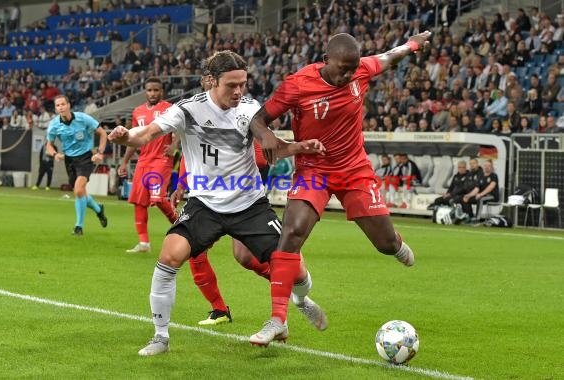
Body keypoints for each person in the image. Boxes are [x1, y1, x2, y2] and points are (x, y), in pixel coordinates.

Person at [108, 51, 327, 354]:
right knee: (169, 257)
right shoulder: (187, 110)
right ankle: (160, 337)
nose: (238, 91)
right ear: (212, 81)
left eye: (243, 84)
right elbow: (144, 135)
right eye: (231, 85)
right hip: (205, 205)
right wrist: (124, 137)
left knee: (295, 267)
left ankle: (301, 300)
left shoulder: (251, 110)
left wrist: (300, 147)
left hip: (249, 204)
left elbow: (272, 148)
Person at [248, 32, 425, 342]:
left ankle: (395, 243)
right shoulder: (299, 84)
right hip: (314, 169)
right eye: (343, 68)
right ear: (326, 60)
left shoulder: (361, 70)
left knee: (384, 245)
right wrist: (266, 137)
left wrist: (412, 44)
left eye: (352, 68)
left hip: (354, 170)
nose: (348, 75)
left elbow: (388, 56)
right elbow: (258, 119)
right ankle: (278, 319)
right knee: (291, 233)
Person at [117, 78, 179, 253]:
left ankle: (183, 227)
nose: (152, 93)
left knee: (158, 199)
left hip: (161, 159)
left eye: (156, 90)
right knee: (138, 201)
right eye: (149, 90)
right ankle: (144, 243)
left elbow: (181, 127)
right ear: (145, 92)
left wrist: (174, 145)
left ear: (162, 91)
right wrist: (124, 161)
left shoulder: (169, 108)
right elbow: (134, 138)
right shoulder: (138, 112)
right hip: (143, 160)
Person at [46, 95, 108, 235]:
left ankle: (78, 227)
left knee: (79, 189)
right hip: (69, 160)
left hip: (86, 157)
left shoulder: (83, 118)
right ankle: (99, 210)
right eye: (58, 105)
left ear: (69, 105)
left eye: (63, 104)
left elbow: (102, 133)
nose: (61, 107)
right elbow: (48, 145)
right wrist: (55, 154)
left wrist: (100, 152)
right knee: (81, 192)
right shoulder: (54, 125)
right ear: (56, 108)